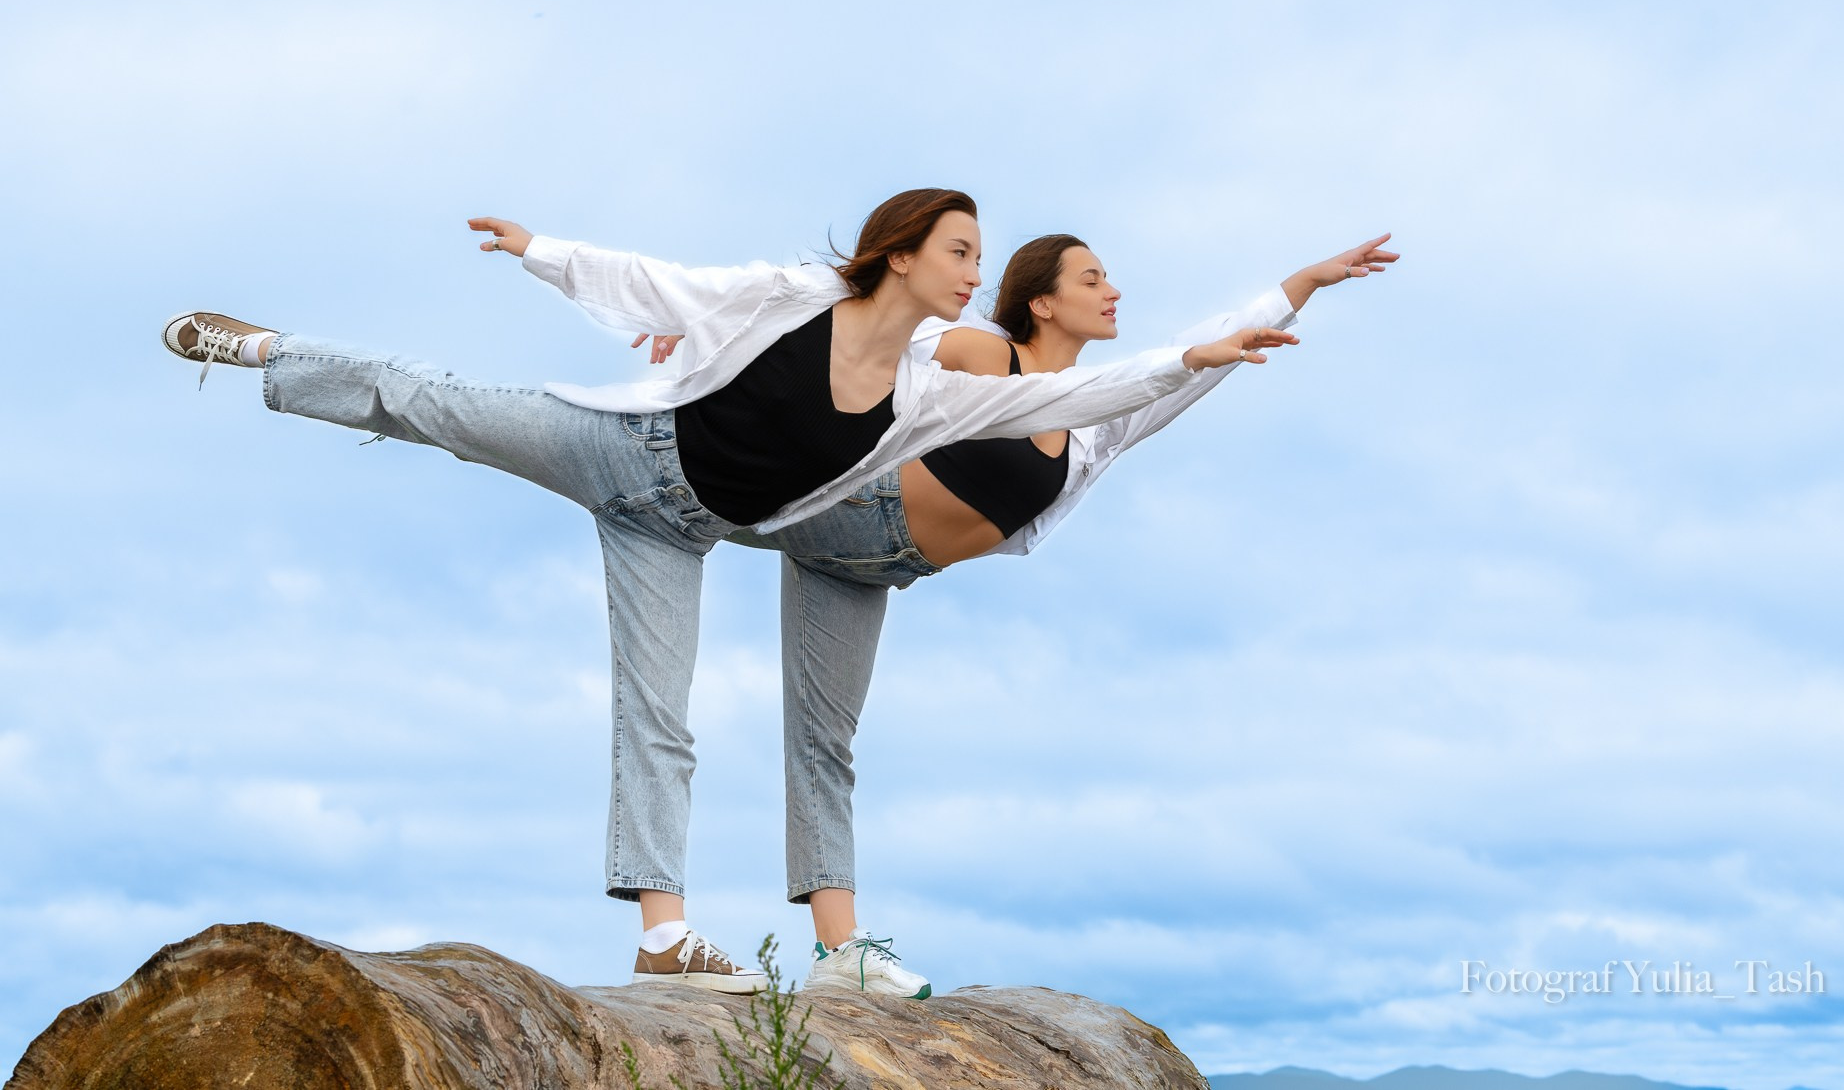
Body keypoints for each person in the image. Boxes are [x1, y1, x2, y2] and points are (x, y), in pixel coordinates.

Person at [160, 188, 1292, 995]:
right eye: (958, 249)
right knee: (437, 402)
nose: (970, 270)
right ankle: (260, 348)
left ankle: (665, 937)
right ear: (901, 254)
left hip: (683, 532)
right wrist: (538, 249)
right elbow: (665, 285)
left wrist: (1191, 361)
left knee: (659, 718)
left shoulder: (921, 398)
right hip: (617, 449)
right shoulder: (796, 298)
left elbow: (1089, 406)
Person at [654, 228, 1396, 997]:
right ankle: (646, 461)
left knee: (824, 745)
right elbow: (859, 329)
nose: (1111, 291)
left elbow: (1182, 365)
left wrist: (1300, 283)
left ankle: (839, 953)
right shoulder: (980, 352)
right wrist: (708, 326)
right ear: (1041, 301)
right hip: (836, 503)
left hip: (875, 566)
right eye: (1091, 278)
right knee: (674, 493)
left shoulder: (1091, 424)